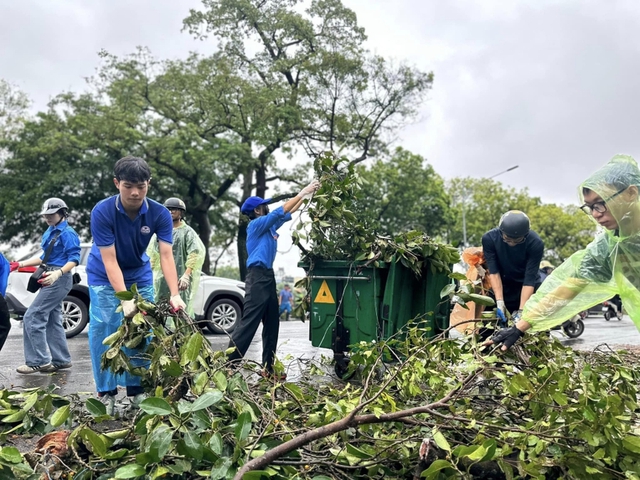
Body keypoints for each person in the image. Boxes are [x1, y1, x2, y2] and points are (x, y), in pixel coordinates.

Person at [486, 154, 640, 350]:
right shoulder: (608, 248)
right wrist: (519, 328)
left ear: (631, 193)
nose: (595, 214)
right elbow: (567, 288)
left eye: (600, 203)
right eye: (590, 207)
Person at [86, 156, 187, 413]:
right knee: (107, 329)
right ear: (116, 183)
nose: (135, 192)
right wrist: (124, 299)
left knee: (142, 329)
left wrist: (174, 294)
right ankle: (106, 394)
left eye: (141, 186)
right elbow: (109, 260)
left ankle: (137, 393)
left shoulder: (160, 214)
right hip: (103, 275)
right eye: (128, 185)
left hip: (139, 275)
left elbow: (166, 255)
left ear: (148, 185)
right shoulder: (102, 212)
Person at [228, 180, 320, 378]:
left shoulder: (268, 227)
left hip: (267, 276)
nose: (266, 207)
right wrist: (303, 190)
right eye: (264, 205)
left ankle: (268, 368)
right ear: (258, 210)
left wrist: (307, 196)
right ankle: (228, 365)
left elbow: (289, 211)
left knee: (272, 323)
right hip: (256, 276)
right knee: (249, 321)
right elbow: (281, 210)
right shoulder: (256, 225)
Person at [10, 198, 80, 373]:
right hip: (48, 274)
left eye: (51, 215)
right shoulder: (51, 231)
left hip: (58, 278)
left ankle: (38, 361)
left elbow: (74, 259)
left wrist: (58, 274)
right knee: (52, 320)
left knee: (32, 317)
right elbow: (43, 257)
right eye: (45, 215)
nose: (48, 218)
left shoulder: (68, 233)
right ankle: (62, 360)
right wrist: (21, 264)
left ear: (62, 213)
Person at [481, 210, 544, 325]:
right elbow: (494, 272)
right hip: (502, 285)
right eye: (508, 239)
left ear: (525, 235)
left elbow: (529, 279)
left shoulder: (535, 243)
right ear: (501, 232)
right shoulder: (489, 239)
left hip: (527, 287)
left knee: (531, 328)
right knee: (490, 328)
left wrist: (521, 311)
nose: (512, 243)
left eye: (517, 240)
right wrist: (499, 302)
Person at [148, 197, 206, 317]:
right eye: (168, 209)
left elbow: (194, 253)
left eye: (174, 209)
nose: (171, 211)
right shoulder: (160, 232)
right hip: (161, 279)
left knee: (180, 312)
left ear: (181, 212)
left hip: (180, 280)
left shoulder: (187, 232)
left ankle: (182, 335)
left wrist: (186, 275)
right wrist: (149, 274)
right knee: (158, 311)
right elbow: (153, 255)